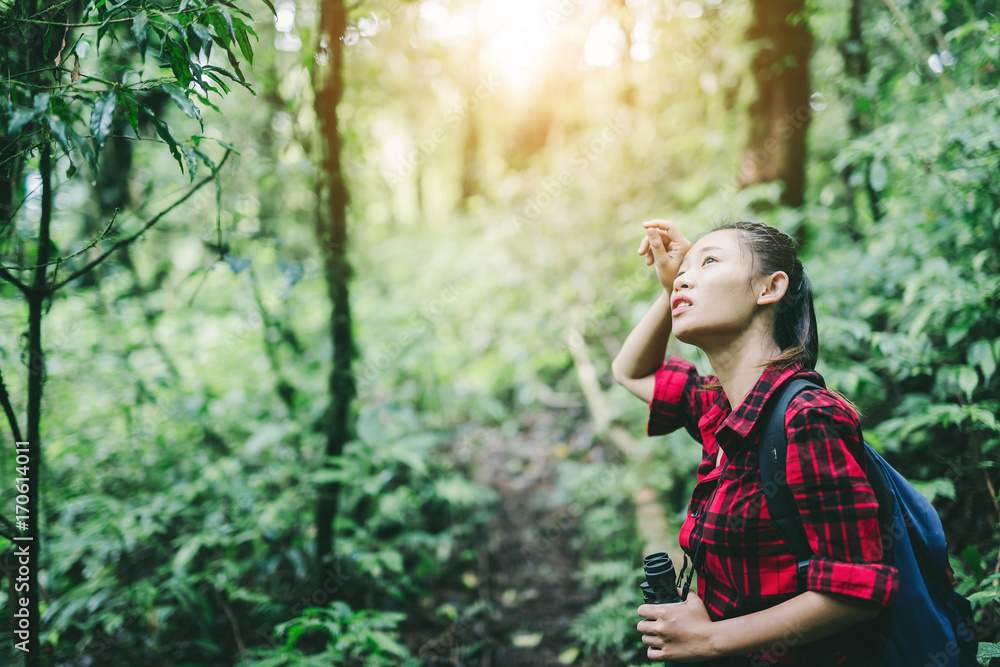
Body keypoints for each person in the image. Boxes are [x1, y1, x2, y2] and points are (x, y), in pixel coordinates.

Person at [611, 219, 899, 666]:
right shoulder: (720, 407)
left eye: (710, 261)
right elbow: (630, 372)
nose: (685, 277)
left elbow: (858, 590)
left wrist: (710, 639)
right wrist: (671, 289)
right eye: (684, 271)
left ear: (770, 288)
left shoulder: (806, 416)